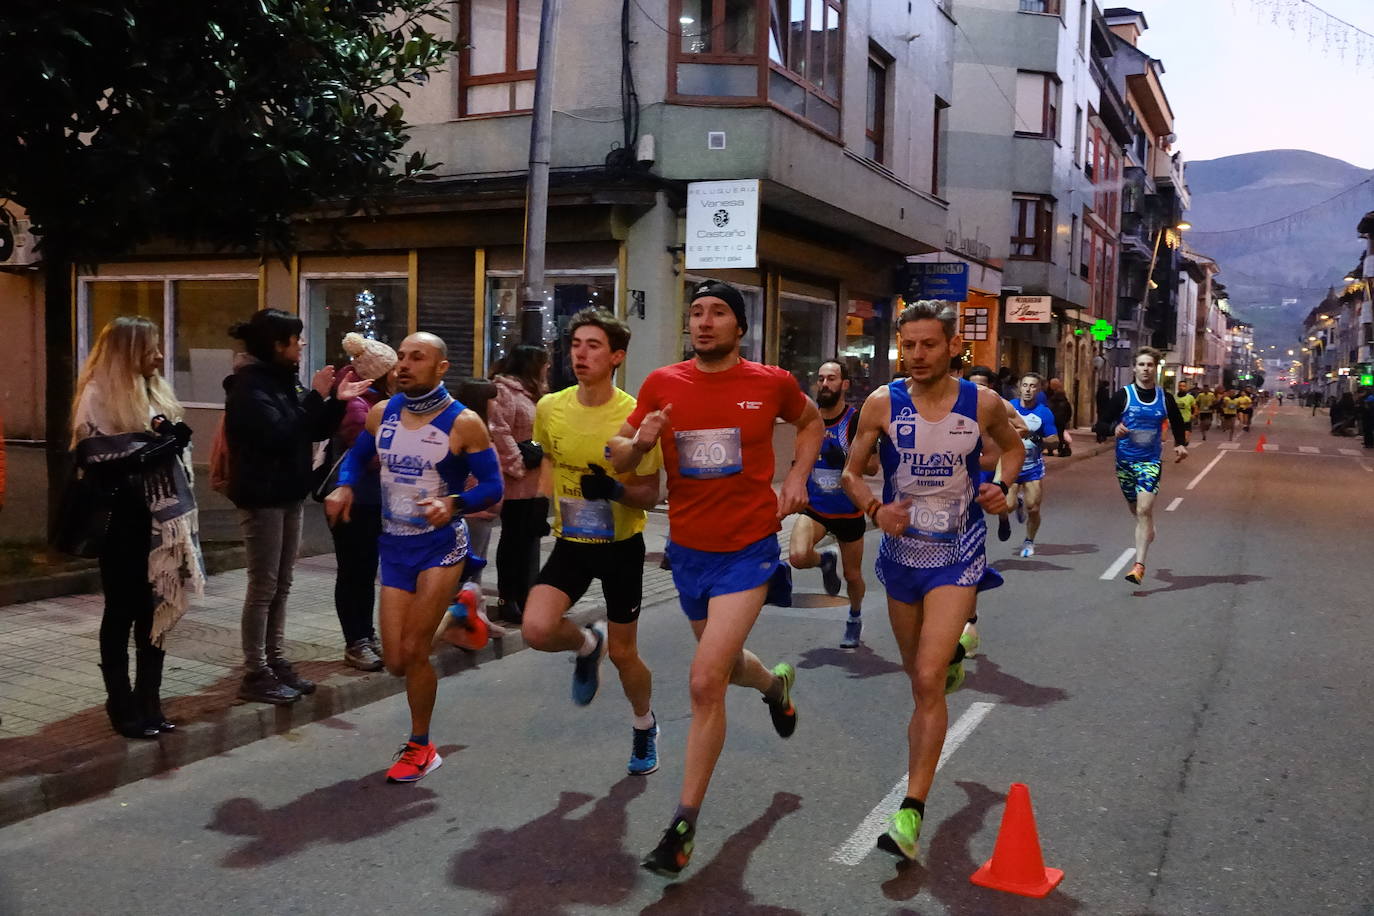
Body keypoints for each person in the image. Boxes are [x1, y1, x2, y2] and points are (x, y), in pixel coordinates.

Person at [609, 279, 823, 877]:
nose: (704, 322)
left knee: (704, 680)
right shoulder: (661, 384)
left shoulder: (770, 382)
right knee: (726, 667)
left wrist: (797, 478)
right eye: (696, 313)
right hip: (688, 551)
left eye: (718, 312)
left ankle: (683, 823)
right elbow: (620, 454)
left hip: (748, 548)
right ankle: (775, 686)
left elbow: (810, 423)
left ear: (739, 325)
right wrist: (636, 444)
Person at [840, 300, 1022, 861]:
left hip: (958, 553)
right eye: (908, 345)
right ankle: (948, 669)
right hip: (900, 555)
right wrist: (874, 510)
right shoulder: (881, 403)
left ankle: (911, 812)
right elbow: (850, 473)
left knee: (925, 677)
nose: (917, 355)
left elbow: (1013, 449)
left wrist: (1002, 489)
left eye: (928, 345)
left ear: (951, 348)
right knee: (917, 678)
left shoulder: (982, 402)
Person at [326, 332, 503, 783]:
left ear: (441, 368)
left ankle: (421, 745)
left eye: (417, 358)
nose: (404, 365)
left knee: (415, 650)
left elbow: (493, 487)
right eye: (401, 357)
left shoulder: (464, 423)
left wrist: (456, 504)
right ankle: (461, 613)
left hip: (441, 547)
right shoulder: (383, 414)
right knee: (396, 661)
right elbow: (356, 456)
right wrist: (345, 484)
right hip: (395, 545)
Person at [520, 308, 665, 775]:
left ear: (617, 356)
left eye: (593, 346)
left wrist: (617, 490)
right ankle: (586, 645)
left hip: (621, 545)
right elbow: (549, 461)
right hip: (572, 541)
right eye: (575, 344)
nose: (580, 354)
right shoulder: (550, 407)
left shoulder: (635, 416)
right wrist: (543, 504)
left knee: (625, 654)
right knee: (536, 629)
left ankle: (645, 726)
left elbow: (651, 494)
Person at [226, 309, 368, 705]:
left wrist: (335, 402)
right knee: (263, 585)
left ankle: (275, 660)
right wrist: (317, 396)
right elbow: (279, 434)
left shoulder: (279, 381)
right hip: (262, 496)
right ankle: (255, 671)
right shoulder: (248, 387)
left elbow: (311, 430)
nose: (301, 345)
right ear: (277, 345)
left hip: (289, 493)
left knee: (282, 584)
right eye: (296, 339)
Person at [72, 316, 205, 738]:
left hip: (160, 522)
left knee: (156, 610)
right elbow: (95, 457)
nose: (161, 356)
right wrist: (155, 448)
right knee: (121, 612)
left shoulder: (152, 392)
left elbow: (164, 446)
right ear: (129, 352)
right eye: (151, 349)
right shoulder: (97, 396)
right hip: (122, 519)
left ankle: (150, 701)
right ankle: (121, 703)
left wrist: (170, 441)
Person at [787, 359, 876, 648]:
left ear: (844, 384)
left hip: (849, 511)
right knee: (798, 557)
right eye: (821, 379)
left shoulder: (854, 422)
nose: (825, 384)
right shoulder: (807, 420)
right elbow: (797, 461)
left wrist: (848, 459)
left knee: (852, 576)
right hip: (816, 508)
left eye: (832, 379)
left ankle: (854, 616)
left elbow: (873, 467)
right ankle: (825, 560)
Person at [326, 333, 397, 671]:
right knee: (354, 571)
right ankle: (356, 641)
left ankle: (365, 635)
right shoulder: (357, 404)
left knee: (365, 570)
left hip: (371, 499)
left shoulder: (375, 398)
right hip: (354, 499)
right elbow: (367, 455)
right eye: (394, 370)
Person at [1093, 347, 1188, 585]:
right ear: (1134, 368)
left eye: (1150, 365)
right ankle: (1147, 528)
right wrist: (1112, 429)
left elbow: (1177, 421)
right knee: (1136, 511)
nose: (1146, 369)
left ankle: (1139, 566)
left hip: (1150, 461)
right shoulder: (1123, 395)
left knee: (1145, 509)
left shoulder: (1164, 398)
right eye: (1142, 365)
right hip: (1125, 461)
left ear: (1155, 369)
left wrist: (1180, 444)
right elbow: (1100, 424)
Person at [488, 345, 550, 623]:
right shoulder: (505, 391)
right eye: (543, 363)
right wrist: (518, 463)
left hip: (537, 479)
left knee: (530, 538)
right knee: (514, 539)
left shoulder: (537, 393)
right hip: (518, 480)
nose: (547, 368)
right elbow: (499, 430)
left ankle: (527, 594)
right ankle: (507, 596)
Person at [1008, 373, 1059, 558]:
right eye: (1025, 385)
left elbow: (1055, 441)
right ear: (1019, 387)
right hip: (1010, 465)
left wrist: (1039, 439)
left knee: (1034, 508)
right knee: (1007, 506)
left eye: (1033, 386)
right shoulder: (1008, 407)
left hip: (1033, 466)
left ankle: (1029, 540)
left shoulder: (1044, 412)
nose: (1028, 390)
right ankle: (1017, 502)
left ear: (1038, 390)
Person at [1046, 378, 1073, 457]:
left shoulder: (1051, 400)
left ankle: (1050, 450)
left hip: (1052, 421)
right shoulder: (1066, 403)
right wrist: (1066, 420)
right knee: (1060, 436)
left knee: (1050, 435)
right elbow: (1069, 413)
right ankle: (1060, 450)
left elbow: (1048, 410)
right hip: (1061, 422)